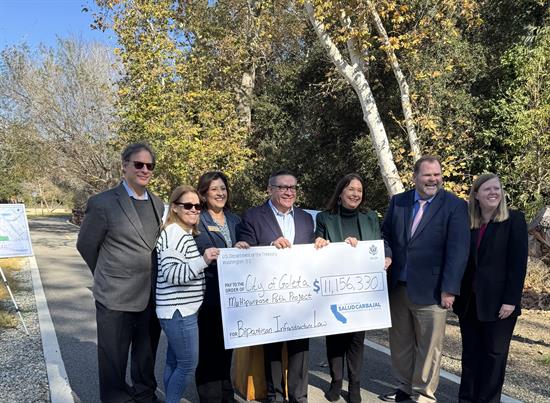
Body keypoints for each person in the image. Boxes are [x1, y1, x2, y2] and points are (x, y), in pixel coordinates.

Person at [77, 142, 164, 403]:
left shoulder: (158, 203)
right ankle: (116, 398)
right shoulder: (102, 203)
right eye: (138, 164)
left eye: (149, 166)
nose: (144, 169)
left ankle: (144, 393)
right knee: (113, 356)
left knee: (146, 353)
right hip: (114, 296)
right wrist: (106, 275)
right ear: (124, 166)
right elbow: (86, 245)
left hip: (150, 294)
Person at [380, 155, 470, 403]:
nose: (433, 179)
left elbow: (458, 250)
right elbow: (384, 233)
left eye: (437, 175)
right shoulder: (399, 202)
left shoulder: (454, 205)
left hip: (433, 290)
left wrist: (449, 289)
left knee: (430, 347)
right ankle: (404, 388)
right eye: (427, 175)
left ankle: (423, 394)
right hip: (398, 287)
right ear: (415, 177)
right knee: (400, 343)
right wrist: (386, 253)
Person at [313, 173, 392, 403]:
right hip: (334, 289)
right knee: (335, 339)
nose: (356, 194)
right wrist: (319, 242)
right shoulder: (324, 218)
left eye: (359, 190)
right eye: (351, 189)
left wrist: (385, 256)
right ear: (340, 193)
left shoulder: (370, 217)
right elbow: (317, 241)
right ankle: (336, 382)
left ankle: (355, 385)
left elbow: (378, 244)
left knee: (357, 340)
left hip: (361, 291)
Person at [238, 169, 314, 403]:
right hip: (269, 297)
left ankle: (299, 396)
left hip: (300, 296)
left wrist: (321, 245)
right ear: (270, 189)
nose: (288, 192)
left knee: (300, 348)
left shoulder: (305, 218)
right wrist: (271, 245)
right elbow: (244, 251)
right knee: (272, 349)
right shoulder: (252, 216)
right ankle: (275, 395)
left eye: (292, 187)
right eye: (283, 187)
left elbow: (313, 253)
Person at [453, 173, 528, 403]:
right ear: (476, 194)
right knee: (471, 355)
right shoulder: (468, 222)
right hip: (470, 303)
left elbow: (518, 264)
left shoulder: (514, 220)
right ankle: (466, 399)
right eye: (487, 189)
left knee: (494, 356)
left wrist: (511, 299)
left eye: (497, 188)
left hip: (500, 304)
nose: (493, 192)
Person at [155, 185, 219, 403]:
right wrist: (203, 260)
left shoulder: (181, 233)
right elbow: (173, 274)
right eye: (188, 205)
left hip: (176, 311)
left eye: (198, 206)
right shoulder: (175, 234)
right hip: (179, 312)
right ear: (174, 208)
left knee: (174, 363)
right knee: (187, 365)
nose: (194, 210)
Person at [194, 171, 248, 403]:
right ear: (204, 194)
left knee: (227, 348)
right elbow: (201, 250)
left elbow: (248, 245)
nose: (220, 193)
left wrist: (245, 245)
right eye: (214, 189)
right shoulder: (198, 220)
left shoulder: (235, 219)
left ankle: (226, 393)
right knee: (209, 350)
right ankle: (209, 396)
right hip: (209, 294)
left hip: (233, 296)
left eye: (223, 188)